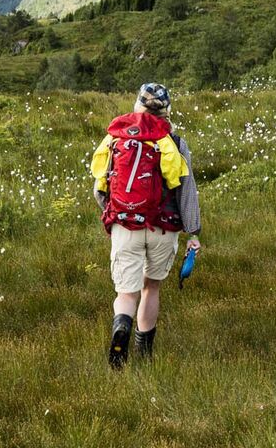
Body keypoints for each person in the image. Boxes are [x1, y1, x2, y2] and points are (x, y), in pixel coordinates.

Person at [90, 82, 201, 368]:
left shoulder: (116, 139)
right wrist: (194, 232)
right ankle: (145, 354)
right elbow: (186, 192)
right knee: (151, 288)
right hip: (163, 229)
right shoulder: (175, 143)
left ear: (137, 105)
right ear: (166, 111)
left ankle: (121, 328)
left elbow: (100, 188)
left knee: (126, 292)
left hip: (125, 226)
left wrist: (116, 216)